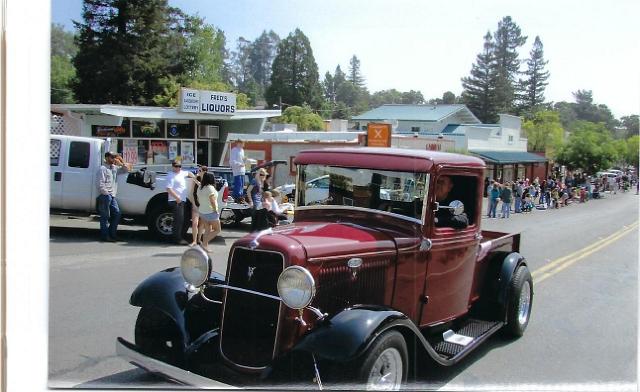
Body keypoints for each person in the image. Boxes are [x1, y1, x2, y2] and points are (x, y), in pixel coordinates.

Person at [96, 152, 131, 242]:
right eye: (112, 157)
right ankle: (105, 236)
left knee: (117, 213)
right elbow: (100, 184)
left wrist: (121, 163)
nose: (113, 159)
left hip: (112, 196)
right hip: (105, 196)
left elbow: (127, 169)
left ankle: (113, 234)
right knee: (105, 216)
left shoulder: (114, 168)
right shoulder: (102, 169)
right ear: (107, 157)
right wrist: (106, 194)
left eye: (115, 157)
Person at [196, 172, 221, 252]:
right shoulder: (210, 188)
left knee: (207, 229)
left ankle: (205, 246)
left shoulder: (200, 187)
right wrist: (215, 210)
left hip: (202, 211)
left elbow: (198, 199)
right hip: (211, 212)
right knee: (217, 230)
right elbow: (212, 201)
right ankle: (204, 243)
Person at [166, 159, 189, 244]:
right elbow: (168, 188)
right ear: (172, 166)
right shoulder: (171, 175)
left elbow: (189, 173)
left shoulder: (182, 173)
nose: (178, 168)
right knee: (178, 220)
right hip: (175, 200)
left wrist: (194, 177)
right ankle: (177, 239)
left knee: (182, 219)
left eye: (179, 166)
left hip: (182, 200)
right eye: (176, 166)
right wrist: (177, 198)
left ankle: (179, 236)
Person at [187, 165, 206, 246]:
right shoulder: (196, 179)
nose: (198, 172)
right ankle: (194, 240)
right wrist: (193, 203)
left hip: (204, 205)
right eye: (198, 170)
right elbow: (191, 193)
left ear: (204, 172)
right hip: (196, 204)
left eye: (200, 171)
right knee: (195, 223)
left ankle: (199, 240)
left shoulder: (207, 181)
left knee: (202, 224)